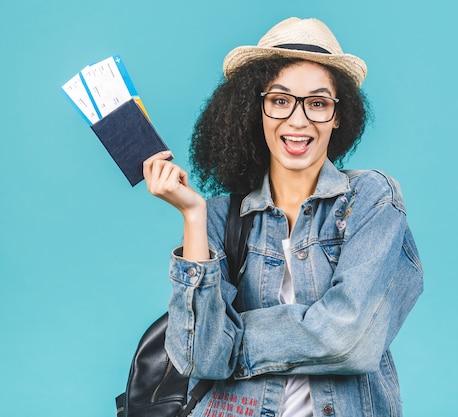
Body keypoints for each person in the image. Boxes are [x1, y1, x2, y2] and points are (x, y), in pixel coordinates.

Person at [143, 17, 424, 417]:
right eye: (279, 100)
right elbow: (196, 357)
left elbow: (350, 339)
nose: (298, 120)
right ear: (255, 109)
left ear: (338, 116)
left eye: (318, 103)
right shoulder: (221, 217)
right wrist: (193, 214)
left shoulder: (370, 199)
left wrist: (232, 340)